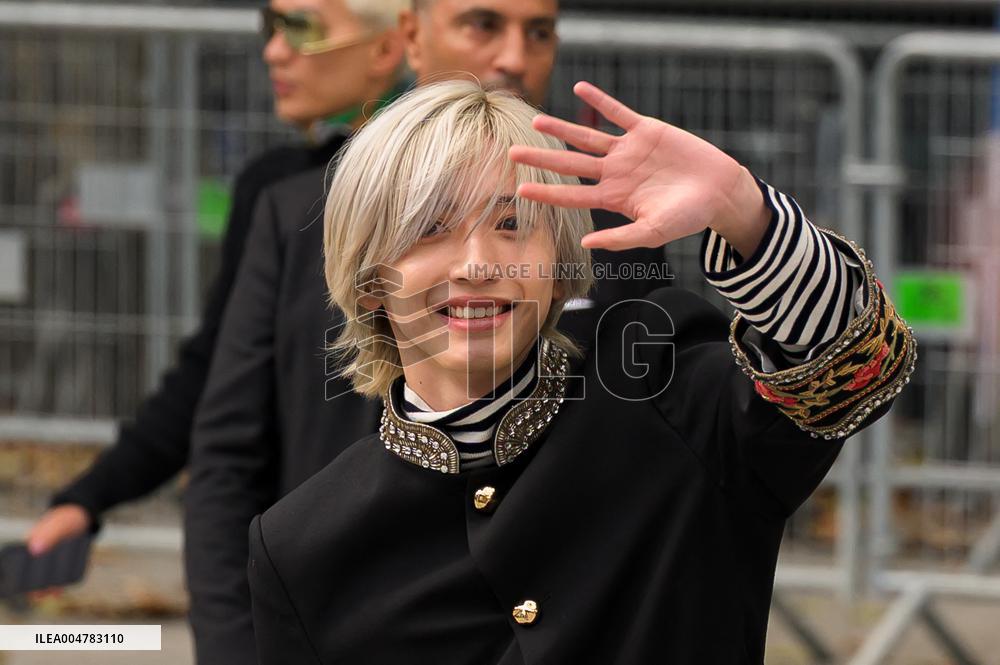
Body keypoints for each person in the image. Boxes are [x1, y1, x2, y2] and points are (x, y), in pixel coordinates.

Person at [247, 80, 916, 664]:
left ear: (560, 263)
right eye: (430, 228)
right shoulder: (301, 545)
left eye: (512, 224)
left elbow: (858, 368)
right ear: (368, 280)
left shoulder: (666, 397)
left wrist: (746, 212)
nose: (478, 263)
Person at [183, 1, 670, 661]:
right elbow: (227, 447)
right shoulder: (293, 211)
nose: (514, 58)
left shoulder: (608, 222)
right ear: (410, 35)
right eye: (483, 24)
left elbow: (662, 442)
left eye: (541, 32)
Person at [23, 0, 408, 616]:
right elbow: (218, 389)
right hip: (307, 582)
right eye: (270, 28)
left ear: (393, 45)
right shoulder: (282, 195)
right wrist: (90, 497)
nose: (274, 51)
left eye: (300, 29)